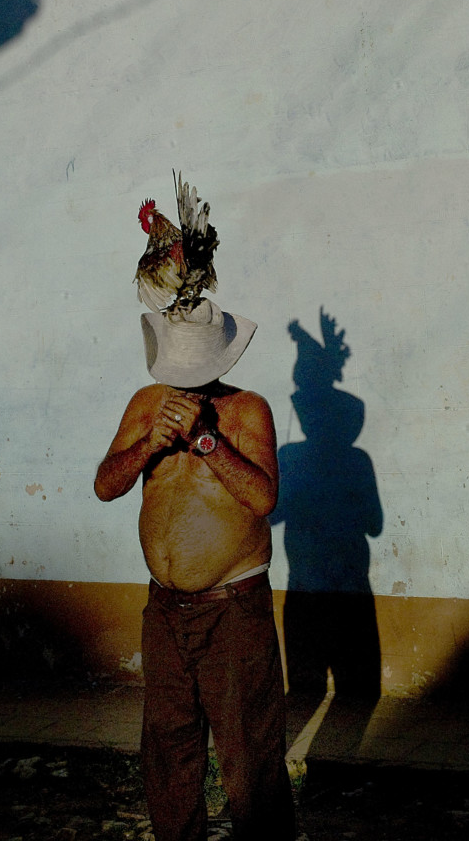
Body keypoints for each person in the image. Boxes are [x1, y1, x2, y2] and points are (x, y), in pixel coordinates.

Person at [94, 298, 294, 841]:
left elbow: (263, 498)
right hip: (164, 609)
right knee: (167, 750)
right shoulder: (146, 405)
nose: (186, 383)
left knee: (250, 755)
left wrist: (207, 440)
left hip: (233, 608)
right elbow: (106, 485)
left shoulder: (247, 409)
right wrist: (149, 444)